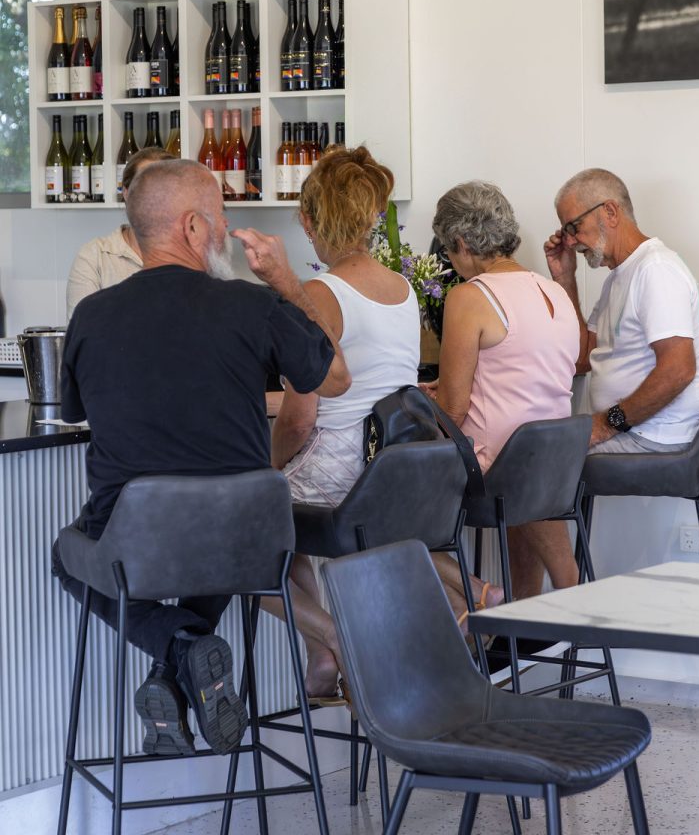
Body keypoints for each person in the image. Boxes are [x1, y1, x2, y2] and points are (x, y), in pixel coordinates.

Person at [53, 159, 350, 757]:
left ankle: (179, 648)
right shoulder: (253, 305)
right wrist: (287, 283)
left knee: (68, 555)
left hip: (136, 543)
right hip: (246, 539)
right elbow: (335, 377)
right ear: (192, 226)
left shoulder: (90, 316)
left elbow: (74, 411)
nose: (226, 230)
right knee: (220, 541)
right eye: (219, 217)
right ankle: (186, 652)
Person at [266, 147, 503, 698]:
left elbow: (299, 421)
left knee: (258, 518)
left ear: (311, 220)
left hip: (340, 469)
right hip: (389, 467)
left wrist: (268, 465)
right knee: (304, 514)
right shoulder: (402, 289)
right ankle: (466, 591)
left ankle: (324, 647)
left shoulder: (319, 294)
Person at [428, 180, 582, 602]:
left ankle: (479, 597)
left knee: (393, 497)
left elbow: (453, 410)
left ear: (461, 243)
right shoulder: (553, 290)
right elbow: (522, 373)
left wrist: (425, 401)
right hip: (554, 462)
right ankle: (530, 613)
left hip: (495, 470)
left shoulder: (470, 296)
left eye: (448, 251)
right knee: (523, 480)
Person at [544, 168, 699, 453]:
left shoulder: (656, 269)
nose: (569, 241)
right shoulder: (619, 277)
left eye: (574, 227)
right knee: (539, 449)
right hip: (634, 431)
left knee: (543, 458)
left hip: (654, 435)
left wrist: (605, 425)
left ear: (610, 212)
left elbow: (679, 370)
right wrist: (565, 278)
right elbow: (582, 358)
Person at [65, 146, 175, 320]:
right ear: (126, 192)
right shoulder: (95, 257)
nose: (155, 199)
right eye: (144, 188)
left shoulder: (192, 254)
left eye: (164, 189)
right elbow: (83, 330)